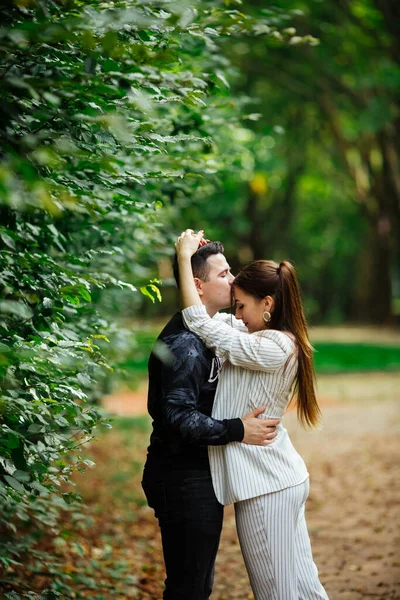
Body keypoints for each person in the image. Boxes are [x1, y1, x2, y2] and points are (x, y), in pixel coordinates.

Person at [176, 229, 329, 600]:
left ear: (268, 304)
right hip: (278, 481)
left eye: (241, 306)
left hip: (266, 487)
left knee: (276, 593)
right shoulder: (263, 336)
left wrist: (183, 258)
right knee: (305, 588)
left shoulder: (275, 346)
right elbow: (217, 323)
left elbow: (200, 323)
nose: (237, 315)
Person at [141, 240, 280, 600]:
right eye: (224, 273)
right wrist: (238, 429)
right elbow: (177, 416)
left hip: (198, 475)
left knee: (198, 584)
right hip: (181, 478)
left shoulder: (210, 328)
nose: (234, 280)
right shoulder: (185, 345)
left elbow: (262, 324)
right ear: (198, 285)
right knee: (188, 587)